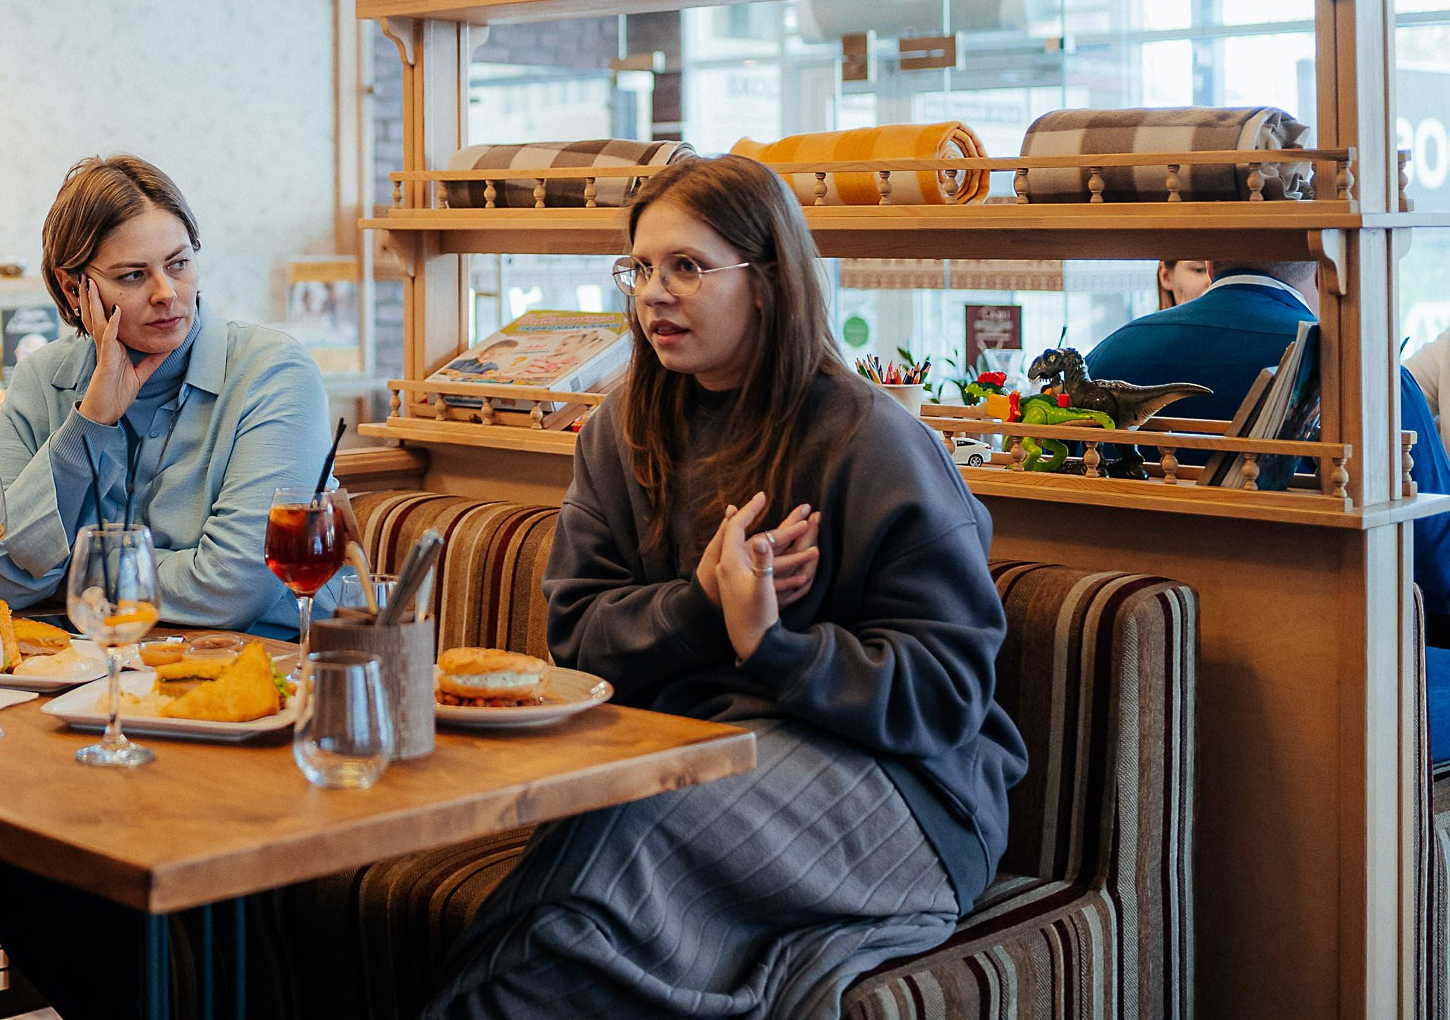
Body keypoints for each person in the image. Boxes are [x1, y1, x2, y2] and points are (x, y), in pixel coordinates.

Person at [425, 154, 1025, 1020]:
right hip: (697, 747)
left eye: (688, 267)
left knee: (623, 842)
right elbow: (580, 640)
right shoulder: (618, 430)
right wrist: (705, 606)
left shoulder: (873, 440)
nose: (653, 294)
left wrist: (772, 645)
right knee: (577, 871)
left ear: (770, 279)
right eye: (640, 268)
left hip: (907, 791)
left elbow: (947, 692)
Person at [1085, 260, 1450, 756]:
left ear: (1210, 260)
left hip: (1133, 670)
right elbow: (1435, 563)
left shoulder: (1107, 356)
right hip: (1331, 685)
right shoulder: (1359, 369)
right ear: (1326, 267)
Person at [0, 153, 332, 639]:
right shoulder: (42, 379)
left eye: (179, 264)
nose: (167, 292)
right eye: (133, 276)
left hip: (257, 672)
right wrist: (91, 420)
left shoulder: (272, 373)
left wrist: (73, 575)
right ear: (73, 286)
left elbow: (231, 588)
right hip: (90, 672)